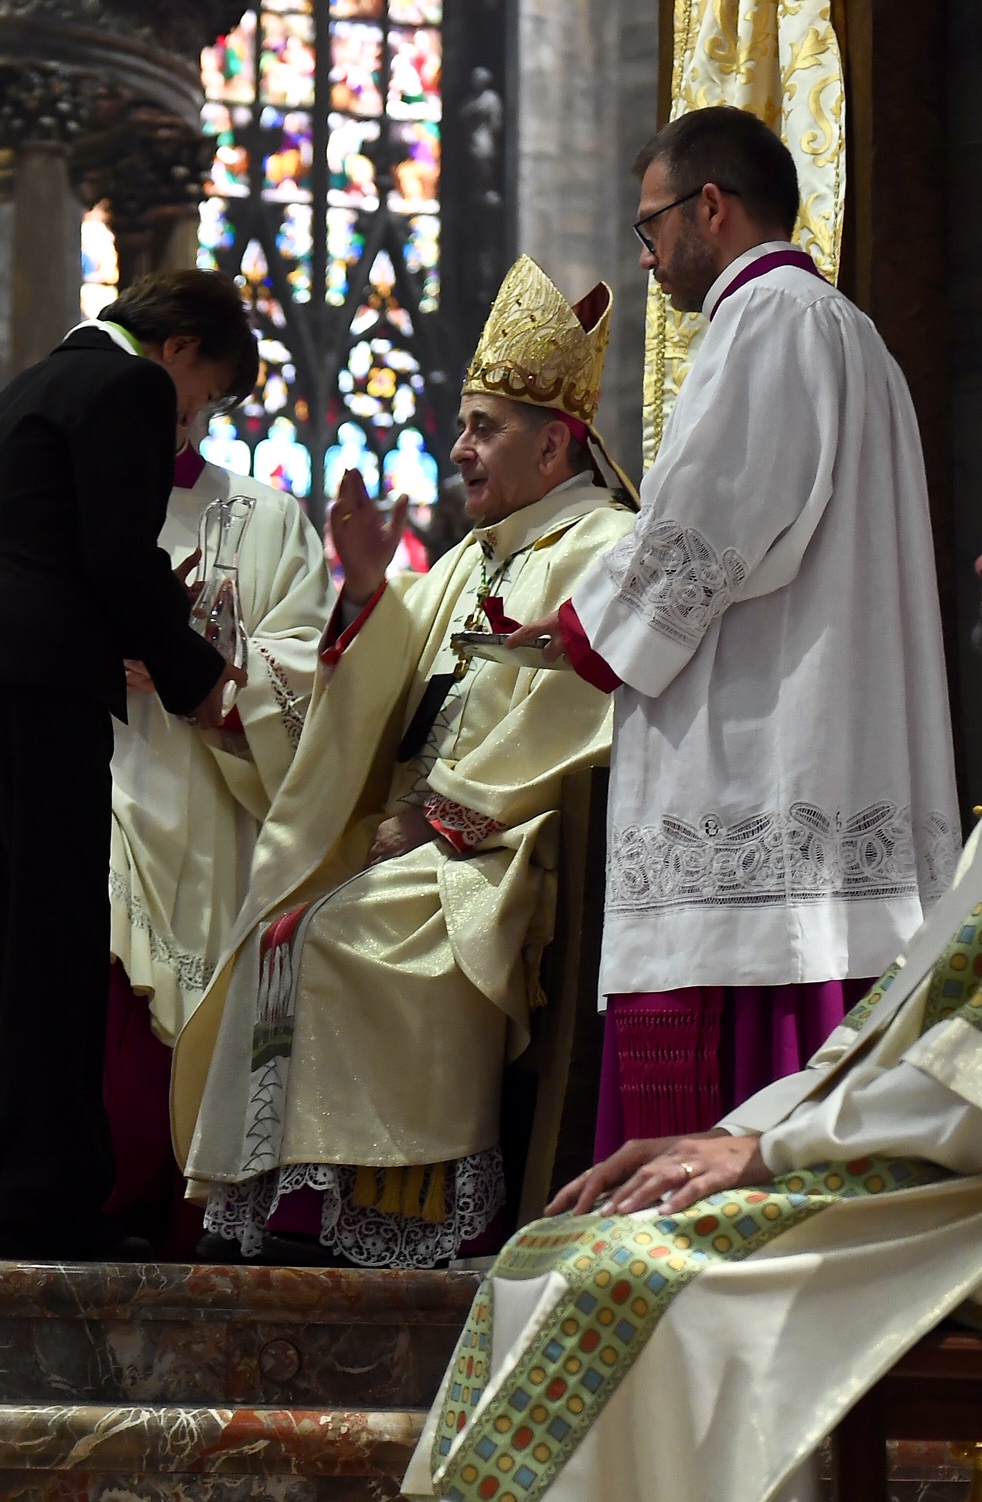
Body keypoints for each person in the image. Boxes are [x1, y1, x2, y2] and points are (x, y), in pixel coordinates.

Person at [408, 437, 982, 1502]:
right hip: (970, 1171)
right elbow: (912, 1024)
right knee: (563, 1251)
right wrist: (745, 1134)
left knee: (624, 1282)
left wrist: (769, 1151)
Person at [508, 105, 959, 1149]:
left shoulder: (768, 323)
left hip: (762, 758)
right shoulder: (848, 333)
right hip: (824, 742)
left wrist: (582, 631)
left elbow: (705, 522)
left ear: (710, 207)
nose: (647, 255)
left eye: (651, 224)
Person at [175, 256, 638, 1269]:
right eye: (464, 424)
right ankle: (296, 1208)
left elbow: (573, 709)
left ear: (556, 441)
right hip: (411, 837)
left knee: (342, 936)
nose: (458, 449)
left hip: (503, 847)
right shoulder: (475, 556)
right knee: (278, 916)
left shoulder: (604, 546)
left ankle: (403, 1213)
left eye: (483, 428)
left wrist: (440, 815)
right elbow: (378, 679)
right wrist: (366, 592)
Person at [0, 269, 252, 1260]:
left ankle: (2, 1201)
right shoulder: (128, 386)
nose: (192, 421)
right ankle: (49, 1208)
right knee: (53, 952)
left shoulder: (24, 386)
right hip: (36, 685)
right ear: (179, 346)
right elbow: (115, 555)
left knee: (1, 961)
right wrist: (200, 679)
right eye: (207, 393)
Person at [105, 426, 331, 1251]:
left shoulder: (265, 518)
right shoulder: (77, 502)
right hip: (104, 789)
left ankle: (193, 1217)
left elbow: (308, 664)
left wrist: (208, 668)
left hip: (220, 802)